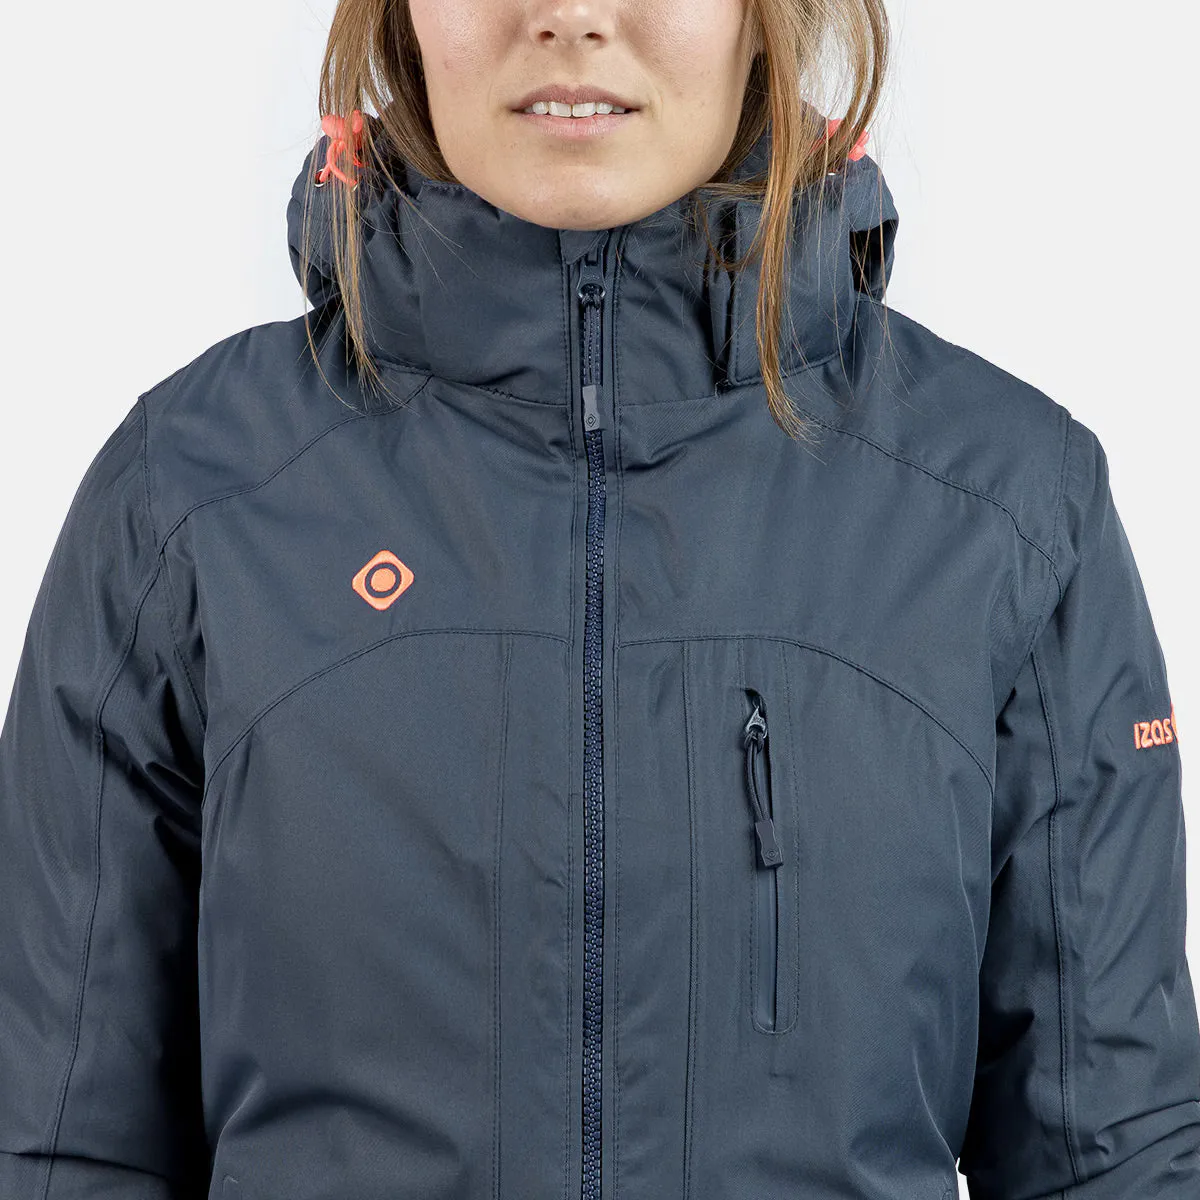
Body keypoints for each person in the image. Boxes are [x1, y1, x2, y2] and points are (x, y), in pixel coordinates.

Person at [1, 0, 1197, 1196]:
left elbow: (1113, 1160)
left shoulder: (1007, 510)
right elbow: (56, 1150)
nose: (569, 15)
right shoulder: (189, 502)